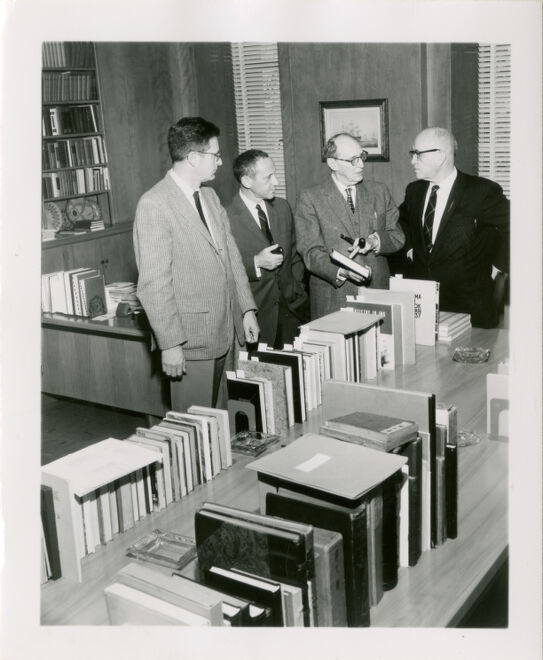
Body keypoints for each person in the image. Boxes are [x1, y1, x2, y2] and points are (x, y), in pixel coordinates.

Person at [133, 116, 259, 411]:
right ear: (192, 158)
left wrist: (247, 309)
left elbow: (232, 260)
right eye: (215, 155)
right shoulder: (154, 204)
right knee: (193, 433)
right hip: (190, 342)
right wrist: (170, 344)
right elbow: (154, 285)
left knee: (223, 425)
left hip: (226, 332)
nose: (220, 161)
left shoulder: (211, 197)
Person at [399, 127, 510, 328]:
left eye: (417, 154)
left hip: (471, 307)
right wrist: (410, 247)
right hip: (425, 306)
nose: (412, 161)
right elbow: (401, 223)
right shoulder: (414, 191)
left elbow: (522, 226)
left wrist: (499, 267)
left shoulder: (482, 192)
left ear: (440, 156)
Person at [295, 132, 405, 320]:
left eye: (361, 157)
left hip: (377, 294)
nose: (361, 165)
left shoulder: (379, 191)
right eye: (353, 160)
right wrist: (341, 271)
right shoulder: (310, 198)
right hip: (333, 299)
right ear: (333, 163)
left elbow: (397, 236)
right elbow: (310, 251)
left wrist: (374, 241)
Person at [226, 149, 309, 347]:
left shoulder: (282, 207)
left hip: (293, 313)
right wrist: (256, 263)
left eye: (275, 174)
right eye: (268, 177)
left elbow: (295, 255)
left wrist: (297, 289)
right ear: (247, 181)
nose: (277, 182)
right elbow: (223, 270)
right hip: (257, 318)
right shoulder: (224, 218)